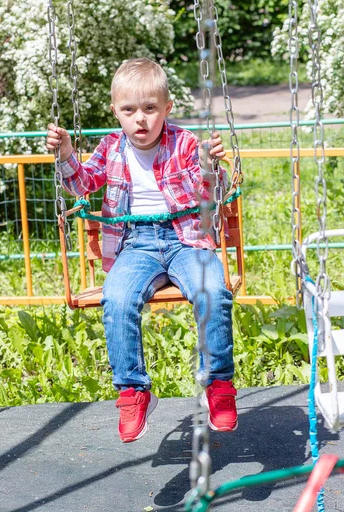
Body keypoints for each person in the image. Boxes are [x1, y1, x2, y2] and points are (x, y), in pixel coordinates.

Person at [46, 58, 238, 443]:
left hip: (185, 238)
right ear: (115, 111)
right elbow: (83, 184)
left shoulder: (184, 143)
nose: (141, 119)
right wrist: (66, 154)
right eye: (130, 110)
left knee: (214, 292)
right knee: (116, 299)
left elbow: (209, 194)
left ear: (166, 109)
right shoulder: (110, 147)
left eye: (150, 109)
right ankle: (133, 390)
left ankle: (218, 385)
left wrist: (207, 166)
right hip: (136, 243)